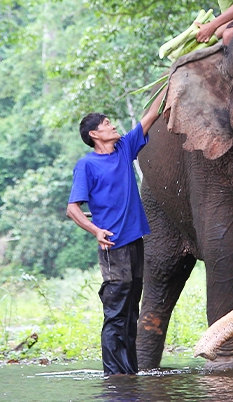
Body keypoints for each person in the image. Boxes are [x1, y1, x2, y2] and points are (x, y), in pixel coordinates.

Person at [65, 88, 166, 376]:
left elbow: (151, 115)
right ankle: (114, 376)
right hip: (113, 245)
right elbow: (73, 208)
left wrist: (172, 76)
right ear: (95, 135)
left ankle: (128, 375)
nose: (113, 126)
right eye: (107, 124)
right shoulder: (87, 165)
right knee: (116, 312)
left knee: (132, 309)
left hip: (135, 240)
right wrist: (95, 230)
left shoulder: (124, 149)